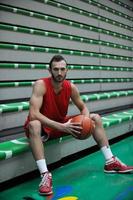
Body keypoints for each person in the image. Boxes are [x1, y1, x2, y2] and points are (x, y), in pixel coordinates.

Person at [24, 55, 133, 196]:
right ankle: (45, 175)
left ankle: (110, 161)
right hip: (43, 126)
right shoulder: (41, 85)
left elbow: (83, 107)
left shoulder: (71, 87)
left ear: (67, 70)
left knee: (95, 118)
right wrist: (61, 127)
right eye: (56, 69)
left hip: (61, 123)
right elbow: (33, 114)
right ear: (49, 70)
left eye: (62, 69)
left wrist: (85, 122)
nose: (59, 73)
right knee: (34, 124)